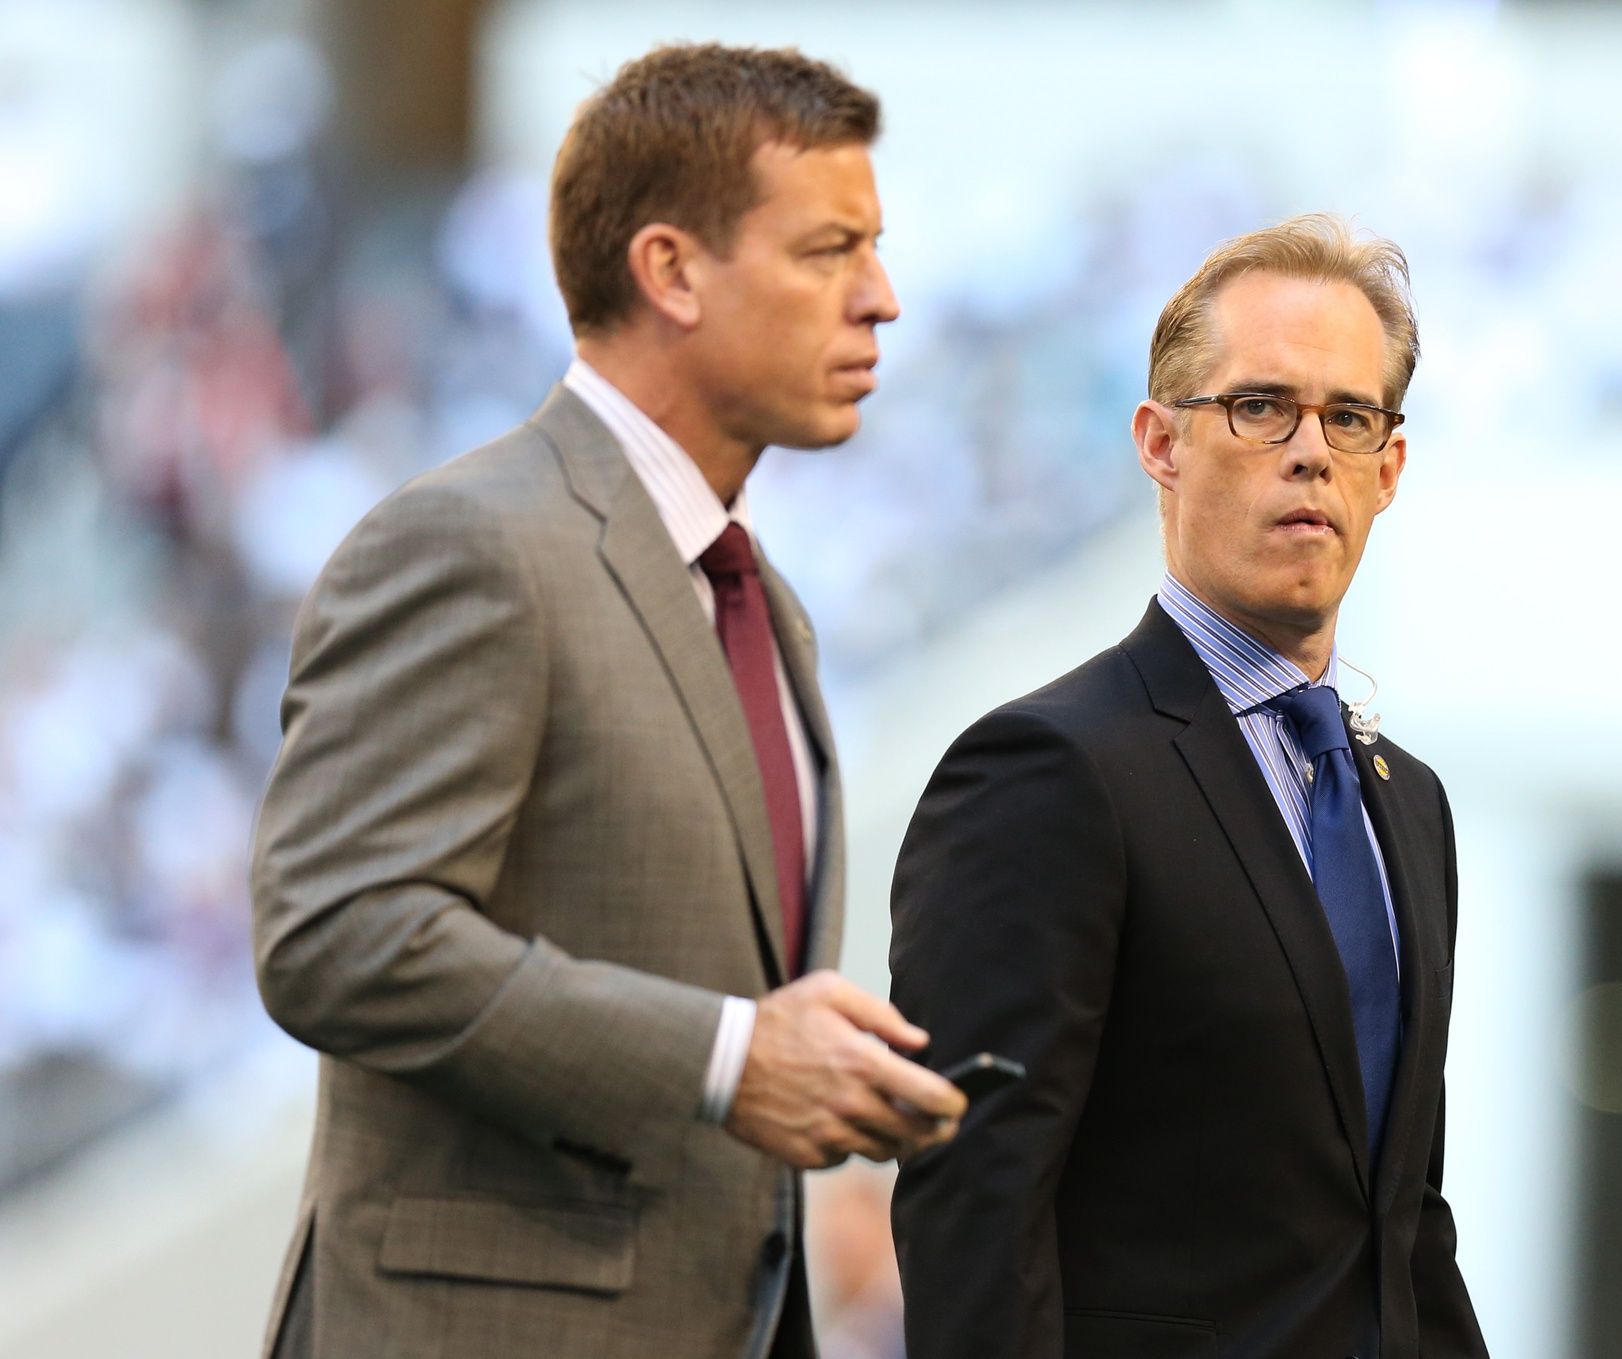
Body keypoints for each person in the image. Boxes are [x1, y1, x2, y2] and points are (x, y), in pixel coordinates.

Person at [250, 43, 965, 1359]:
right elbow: (337, 930)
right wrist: (725, 1055)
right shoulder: (471, 541)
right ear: (670, 269)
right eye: (829, 249)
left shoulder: (766, 606)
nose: (883, 298)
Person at [889, 214, 1488, 1359]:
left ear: (1389, 468)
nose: (1310, 451)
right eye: (1261, 407)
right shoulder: (1048, 772)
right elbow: (976, 1206)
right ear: (1160, 443)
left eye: (1348, 417)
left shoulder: (1409, 805)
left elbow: (1404, 1226)